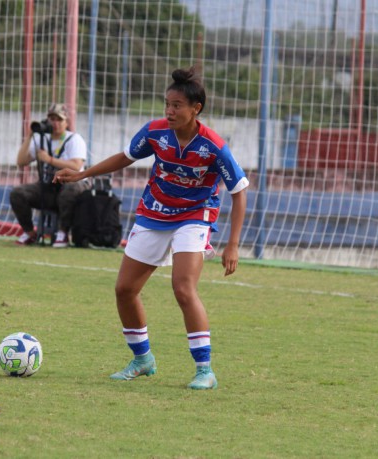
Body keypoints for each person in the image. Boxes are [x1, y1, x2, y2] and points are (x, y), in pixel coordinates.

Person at [54, 67, 249, 390]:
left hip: (194, 217)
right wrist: (81, 174)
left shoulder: (213, 146)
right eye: (167, 104)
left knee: (183, 288)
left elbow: (239, 191)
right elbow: (125, 158)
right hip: (154, 213)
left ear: (195, 109)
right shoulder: (155, 132)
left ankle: (205, 370)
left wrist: (233, 244)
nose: (169, 111)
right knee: (124, 290)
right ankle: (142, 360)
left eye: (177, 106)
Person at [10, 103, 88, 247]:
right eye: (52, 119)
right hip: (48, 187)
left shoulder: (74, 139)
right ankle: (29, 232)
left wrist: (49, 160)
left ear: (66, 122)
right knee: (17, 193)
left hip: (73, 187)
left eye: (59, 119)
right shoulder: (41, 139)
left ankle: (62, 233)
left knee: (69, 189)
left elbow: (77, 166)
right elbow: (21, 161)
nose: (55, 123)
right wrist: (30, 136)